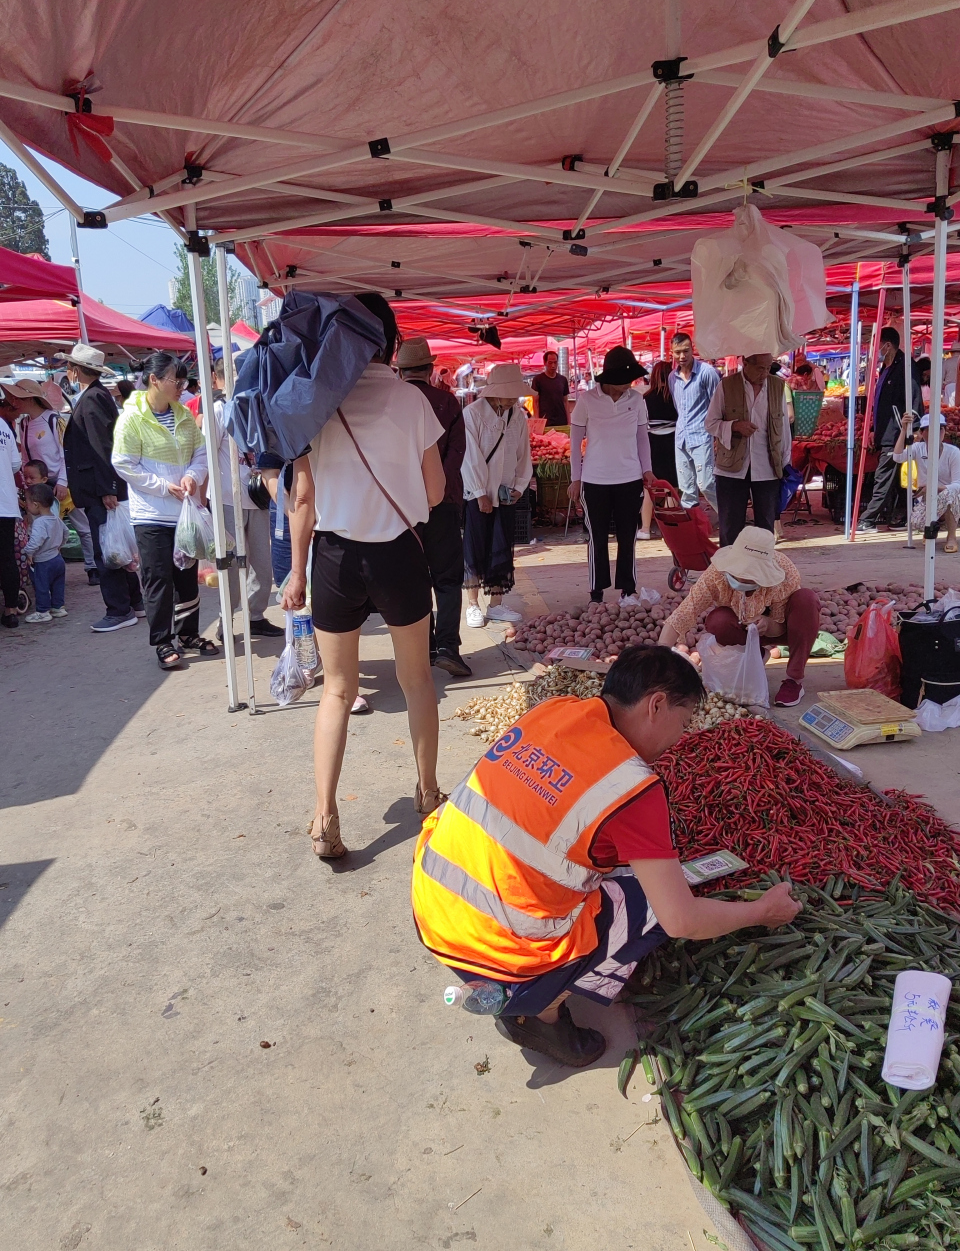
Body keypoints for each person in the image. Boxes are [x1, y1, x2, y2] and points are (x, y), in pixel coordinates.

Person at [411, 645, 802, 1066]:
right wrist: (762, 911)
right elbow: (683, 920)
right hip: (498, 949)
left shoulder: (553, 711)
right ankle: (536, 1009)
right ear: (656, 705)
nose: (680, 738)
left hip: (432, 909)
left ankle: (518, 985)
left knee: (615, 871)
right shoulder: (632, 787)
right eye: (683, 721)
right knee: (654, 906)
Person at [280, 293, 447, 861]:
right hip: (398, 553)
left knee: (336, 690)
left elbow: (302, 497)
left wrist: (296, 571)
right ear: (391, 343)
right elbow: (435, 491)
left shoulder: (315, 403)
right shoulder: (411, 399)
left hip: (333, 557)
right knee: (417, 680)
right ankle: (428, 793)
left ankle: (325, 816)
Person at [112, 351, 214, 669]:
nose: (181, 386)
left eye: (183, 380)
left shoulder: (183, 415)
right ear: (154, 380)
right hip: (151, 515)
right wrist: (160, 486)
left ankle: (188, 634)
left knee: (186, 575)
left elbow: (201, 454)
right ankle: (162, 641)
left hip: (183, 513)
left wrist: (192, 476)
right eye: (176, 380)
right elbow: (123, 463)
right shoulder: (132, 418)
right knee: (158, 578)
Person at [658, 525, 819, 707]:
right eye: (738, 572)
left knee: (806, 599)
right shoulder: (717, 574)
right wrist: (659, 655)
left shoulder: (785, 573)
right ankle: (754, 655)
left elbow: (779, 627)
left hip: (781, 629)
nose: (741, 579)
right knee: (718, 620)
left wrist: (768, 623)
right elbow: (685, 611)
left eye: (750, 576)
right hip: (740, 628)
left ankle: (794, 680)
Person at [396, 335, 470, 677]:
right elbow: (456, 454)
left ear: (401, 371)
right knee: (447, 576)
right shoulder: (447, 403)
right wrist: (438, 484)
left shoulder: (391, 403)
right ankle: (448, 647)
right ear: (428, 369)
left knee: (413, 577)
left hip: (401, 506)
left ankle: (423, 646)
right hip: (443, 500)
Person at [59, 343, 144, 630]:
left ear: (75, 370)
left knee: (107, 549)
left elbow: (102, 447)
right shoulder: (95, 396)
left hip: (100, 488)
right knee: (115, 545)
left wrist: (108, 487)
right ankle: (133, 602)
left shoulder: (93, 399)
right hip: (101, 486)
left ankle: (120, 609)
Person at [568, 346, 655, 607]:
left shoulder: (637, 400)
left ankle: (628, 590)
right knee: (597, 537)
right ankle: (596, 592)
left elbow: (642, 438)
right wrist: (576, 477)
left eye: (629, 382)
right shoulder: (586, 401)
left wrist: (646, 470)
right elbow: (574, 442)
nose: (625, 387)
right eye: (621, 382)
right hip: (595, 480)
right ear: (607, 379)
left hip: (629, 479)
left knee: (628, 536)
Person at [204, 356, 283, 641]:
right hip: (228, 498)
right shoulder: (217, 410)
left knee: (262, 564)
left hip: (257, 496)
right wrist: (204, 501)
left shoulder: (252, 406)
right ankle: (227, 620)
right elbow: (207, 456)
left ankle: (255, 616)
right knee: (232, 564)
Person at [1, 377, 98, 584]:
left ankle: (92, 567)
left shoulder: (54, 420)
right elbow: (24, 458)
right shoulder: (24, 423)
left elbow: (66, 453)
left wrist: (63, 480)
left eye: (18, 397)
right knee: (43, 528)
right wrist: (29, 484)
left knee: (82, 526)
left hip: (62, 483)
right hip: (40, 486)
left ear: (29, 399)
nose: (14, 402)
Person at [461, 363, 533, 628]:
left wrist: (520, 485)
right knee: (475, 547)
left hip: (505, 492)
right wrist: (480, 492)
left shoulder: (517, 416)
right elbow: (470, 458)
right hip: (477, 493)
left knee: (501, 548)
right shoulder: (473, 414)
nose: (515, 397)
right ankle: (472, 605)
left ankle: (496, 605)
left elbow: (523, 453)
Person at [704, 353, 793, 547]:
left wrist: (785, 463)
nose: (765, 373)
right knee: (730, 526)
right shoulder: (726, 386)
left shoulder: (777, 387)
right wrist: (734, 426)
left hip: (768, 466)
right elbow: (710, 423)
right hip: (731, 467)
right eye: (760, 368)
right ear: (744, 363)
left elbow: (784, 428)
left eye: (768, 368)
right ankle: (729, 573)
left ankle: (761, 571)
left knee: (765, 527)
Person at [856, 327, 923, 533]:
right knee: (896, 478)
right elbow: (881, 403)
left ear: (887, 345)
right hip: (885, 432)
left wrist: (913, 429)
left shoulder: (905, 367)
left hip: (897, 433)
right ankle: (903, 516)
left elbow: (914, 400)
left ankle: (868, 519)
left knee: (883, 476)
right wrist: (874, 428)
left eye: (876, 345)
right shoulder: (886, 368)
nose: (874, 349)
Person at [893, 412, 960, 552]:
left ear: (944, 431)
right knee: (916, 522)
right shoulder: (917, 448)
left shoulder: (953, 452)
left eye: (940, 429)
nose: (936, 433)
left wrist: (935, 487)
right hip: (926, 498)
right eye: (930, 429)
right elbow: (897, 457)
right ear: (922, 433)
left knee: (951, 494)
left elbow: (957, 484)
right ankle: (930, 528)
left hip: (949, 496)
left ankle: (952, 537)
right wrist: (904, 430)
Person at [668, 332, 719, 513]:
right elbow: (678, 407)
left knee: (706, 484)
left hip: (702, 437)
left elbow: (717, 405)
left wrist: (716, 436)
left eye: (686, 351)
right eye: (677, 352)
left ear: (693, 349)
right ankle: (693, 530)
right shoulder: (672, 377)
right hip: (681, 438)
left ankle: (730, 519)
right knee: (687, 490)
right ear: (671, 353)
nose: (682, 356)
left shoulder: (707, 373)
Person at [639, 359, 679, 539]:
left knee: (651, 487)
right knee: (671, 486)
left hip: (652, 443)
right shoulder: (676, 395)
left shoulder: (646, 398)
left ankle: (646, 528)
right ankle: (670, 526)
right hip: (673, 442)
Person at [21, 483, 69, 624]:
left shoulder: (39, 522)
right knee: (58, 585)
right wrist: (60, 545)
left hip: (44, 561)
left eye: (28, 502)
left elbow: (36, 540)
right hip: (58, 559)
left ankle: (42, 611)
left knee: (42, 586)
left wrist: (28, 552)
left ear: (36, 505)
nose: (26, 505)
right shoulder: (56, 519)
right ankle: (58, 607)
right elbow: (66, 533)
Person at [0, 389, 22, 627]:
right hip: (5, 503)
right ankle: (11, 610)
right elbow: (16, 464)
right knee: (6, 558)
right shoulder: (5, 428)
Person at [530, 350, 570, 427]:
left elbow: (565, 401)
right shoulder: (538, 380)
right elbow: (535, 402)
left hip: (561, 421)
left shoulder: (563, 380)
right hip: (545, 421)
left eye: (555, 362)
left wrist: (569, 421)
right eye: (550, 362)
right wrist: (538, 421)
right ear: (545, 363)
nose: (553, 366)